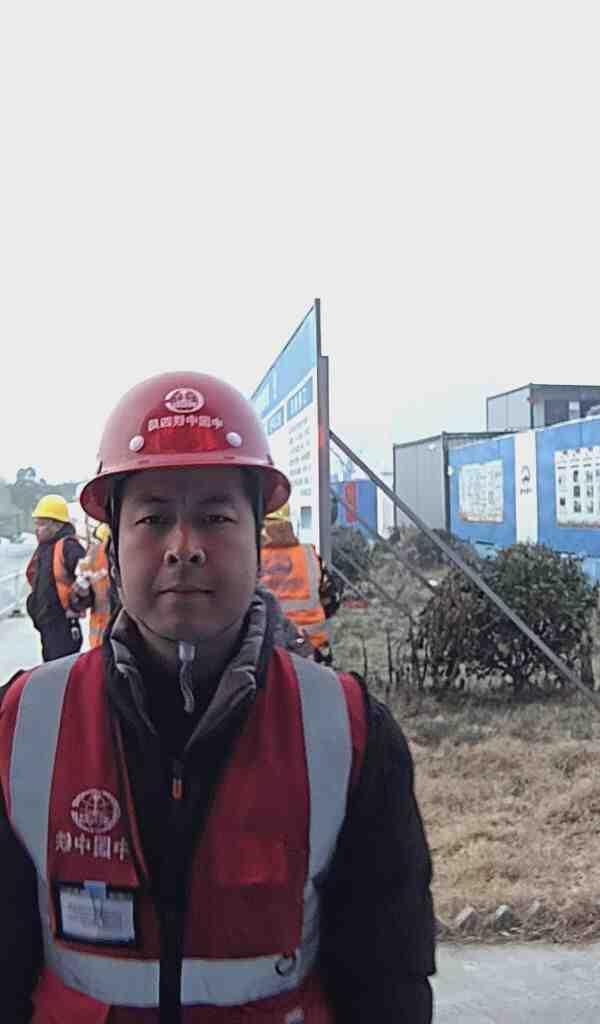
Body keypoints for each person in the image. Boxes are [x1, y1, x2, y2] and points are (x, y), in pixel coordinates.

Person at [0, 371, 435, 1023]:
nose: (184, 548)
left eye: (215, 517)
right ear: (113, 549)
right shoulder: (21, 728)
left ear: (257, 538)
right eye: (153, 519)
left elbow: (388, 986)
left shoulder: (347, 734)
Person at [261, 505, 341, 665]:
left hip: (268, 651)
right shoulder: (309, 554)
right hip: (313, 650)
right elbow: (332, 600)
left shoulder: (250, 559)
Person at [25, 494, 85, 661]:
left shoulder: (68, 546)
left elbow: (86, 575)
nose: (37, 529)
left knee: (64, 669)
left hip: (63, 625)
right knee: (50, 666)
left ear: (57, 525)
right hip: (47, 625)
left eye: (42, 524)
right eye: (36, 524)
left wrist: (75, 604)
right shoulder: (44, 549)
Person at [71, 522, 113, 648]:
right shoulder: (94, 555)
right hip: (105, 633)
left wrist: (80, 592)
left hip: (101, 634)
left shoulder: (94, 553)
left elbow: (79, 600)